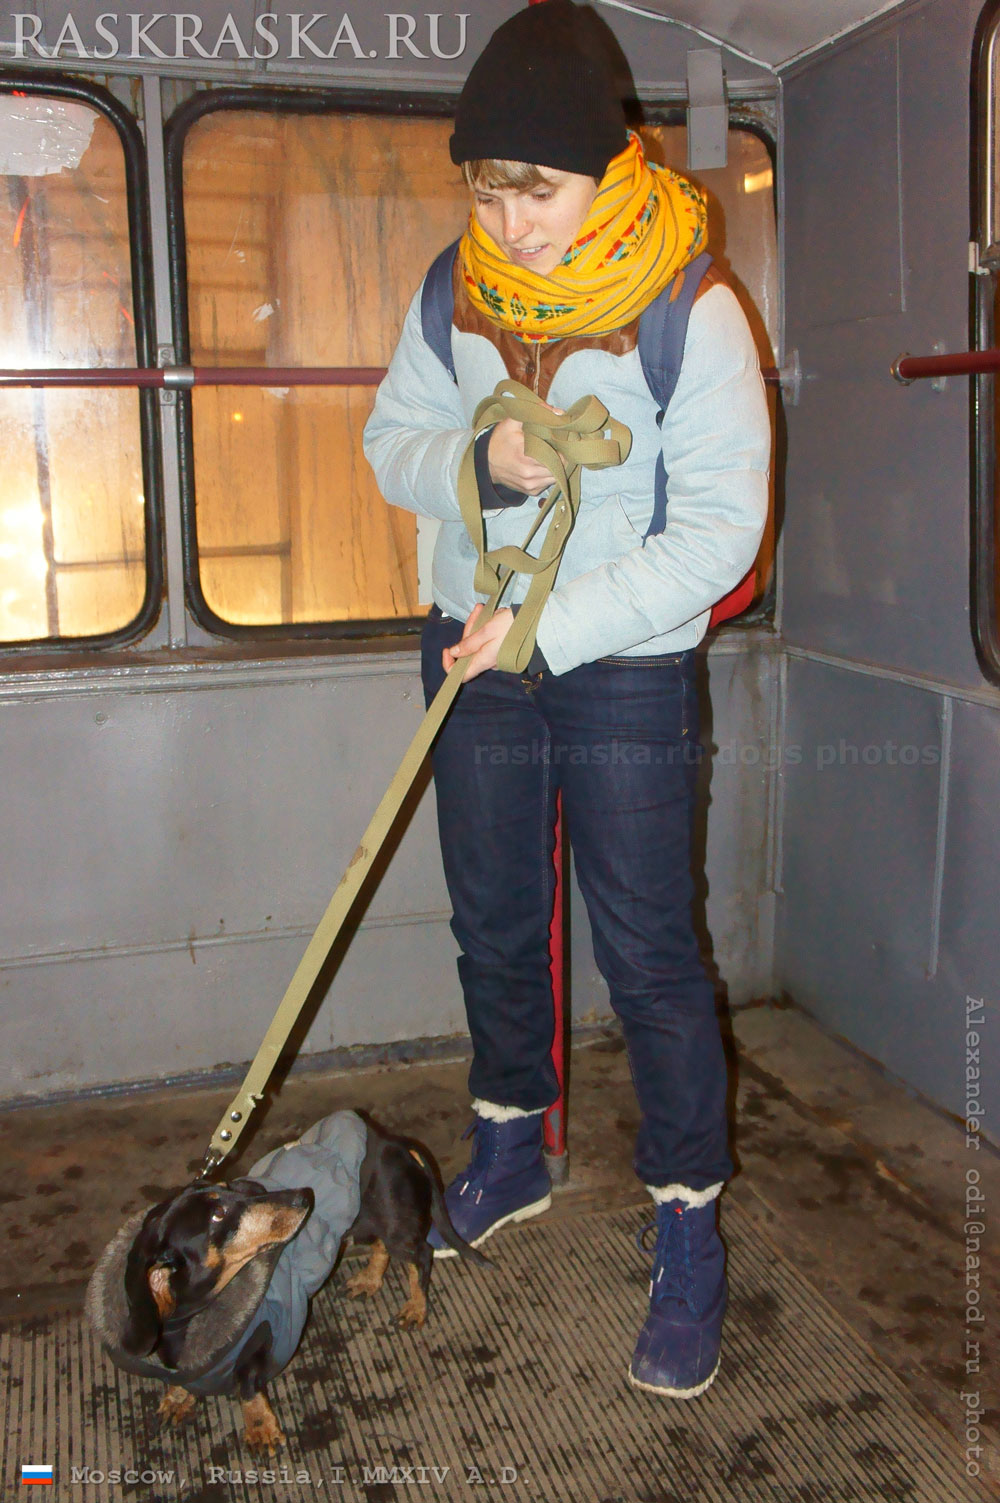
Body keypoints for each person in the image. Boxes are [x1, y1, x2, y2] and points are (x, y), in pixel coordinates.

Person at [363, 0, 770, 1399]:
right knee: (494, 919)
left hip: (623, 670)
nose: (514, 222)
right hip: (470, 658)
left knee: (651, 952)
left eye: (538, 190)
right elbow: (386, 443)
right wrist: (480, 466)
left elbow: (719, 533)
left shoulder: (691, 308)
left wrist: (553, 629)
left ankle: (688, 1228)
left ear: (618, 163)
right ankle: (511, 1146)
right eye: (492, 189)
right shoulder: (449, 290)